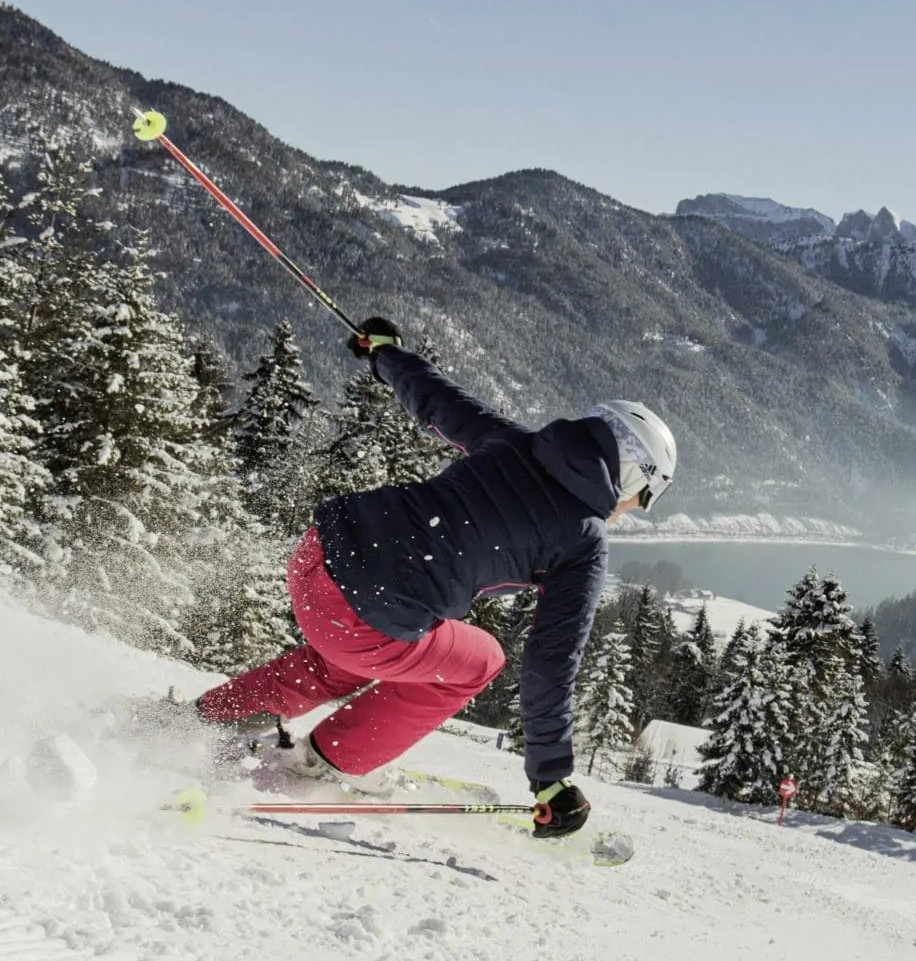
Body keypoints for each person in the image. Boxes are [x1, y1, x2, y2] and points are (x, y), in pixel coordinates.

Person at [191, 317, 677, 838]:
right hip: (364, 619)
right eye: (642, 499)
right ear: (631, 475)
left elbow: (436, 398)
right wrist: (550, 780)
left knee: (358, 656)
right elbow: (550, 665)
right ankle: (325, 765)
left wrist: (385, 354)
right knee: (479, 660)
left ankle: (198, 725)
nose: (629, 511)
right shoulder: (582, 540)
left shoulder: (514, 442)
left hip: (317, 558)